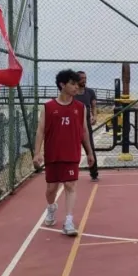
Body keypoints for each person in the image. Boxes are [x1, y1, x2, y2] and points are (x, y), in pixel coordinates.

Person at [33, 69, 95, 237]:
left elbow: (84, 132)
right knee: (51, 189)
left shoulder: (80, 108)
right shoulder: (48, 107)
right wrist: (37, 153)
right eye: (72, 84)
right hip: (53, 154)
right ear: (62, 85)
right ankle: (51, 207)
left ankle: (69, 221)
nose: (76, 87)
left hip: (72, 154)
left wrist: (89, 152)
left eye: (77, 84)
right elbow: (40, 131)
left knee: (70, 185)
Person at [74, 71, 99, 182]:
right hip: (74, 125)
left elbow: (94, 106)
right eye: (82, 78)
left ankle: (94, 173)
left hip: (86, 125)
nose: (84, 80)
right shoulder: (73, 93)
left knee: (90, 149)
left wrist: (94, 116)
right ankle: (71, 172)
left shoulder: (90, 92)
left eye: (85, 78)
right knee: (73, 150)